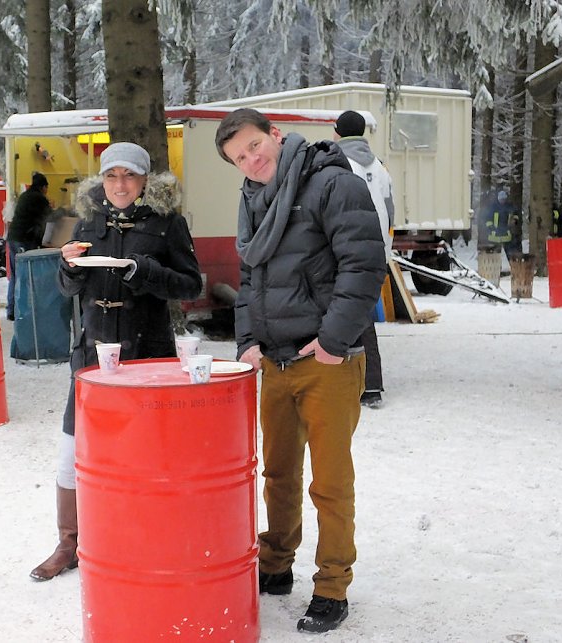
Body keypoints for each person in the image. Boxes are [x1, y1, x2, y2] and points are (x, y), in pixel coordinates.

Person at [215, 109, 386, 634]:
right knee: (279, 475)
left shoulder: (333, 183)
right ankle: (277, 562)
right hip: (275, 360)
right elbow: (250, 281)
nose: (251, 159)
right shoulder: (253, 200)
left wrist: (335, 340)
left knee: (330, 483)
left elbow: (364, 263)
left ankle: (333, 585)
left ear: (276, 135)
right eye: (239, 158)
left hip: (326, 362)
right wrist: (247, 339)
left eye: (253, 146)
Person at [29, 142, 202, 582]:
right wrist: (69, 267)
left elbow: (189, 285)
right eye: (111, 176)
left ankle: (147, 540)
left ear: (144, 180)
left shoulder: (167, 223)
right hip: (92, 357)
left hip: (148, 358)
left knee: (147, 457)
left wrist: (141, 271)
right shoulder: (87, 221)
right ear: (101, 181)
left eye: (129, 175)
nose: (119, 184)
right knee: (71, 454)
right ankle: (69, 544)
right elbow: (68, 288)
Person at [333, 109, 394, 409]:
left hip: (346, 251)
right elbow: (390, 211)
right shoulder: (380, 168)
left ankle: (359, 383)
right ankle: (370, 383)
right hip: (377, 251)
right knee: (363, 316)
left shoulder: (338, 163)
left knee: (345, 315)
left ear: (338, 133)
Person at [6, 172, 52, 320]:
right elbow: (51, 216)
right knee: (25, 275)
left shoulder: (26, 195)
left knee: (16, 275)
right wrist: (63, 210)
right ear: (43, 187)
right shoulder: (39, 198)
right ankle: (23, 310)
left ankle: (12, 309)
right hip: (23, 239)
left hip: (13, 238)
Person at [483, 190, 522, 259]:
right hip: (494, 235)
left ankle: (512, 265)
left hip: (507, 235)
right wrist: (491, 226)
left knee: (510, 254)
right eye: (501, 199)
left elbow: (516, 214)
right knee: (494, 255)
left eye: (504, 199)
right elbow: (487, 218)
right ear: (498, 199)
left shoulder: (510, 206)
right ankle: (496, 267)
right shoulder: (493, 207)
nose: (502, 201)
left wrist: (515, 220)